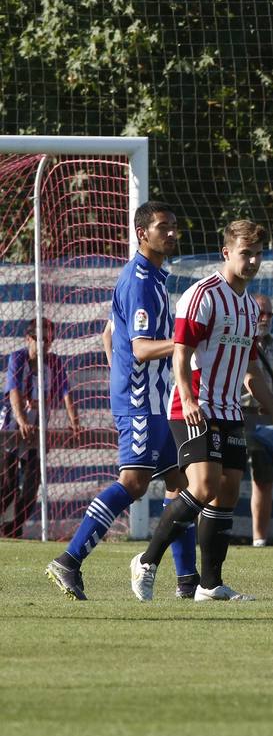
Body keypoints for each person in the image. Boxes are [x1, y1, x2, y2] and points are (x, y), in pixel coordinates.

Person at [130, 219, 273, 602]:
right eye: (245, 253)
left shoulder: (251, 309)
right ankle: (147, 560)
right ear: (226, 253)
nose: (252, 261)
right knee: (202, 487)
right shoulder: (202, 295)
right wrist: (187, 400)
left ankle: (209, 585)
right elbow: (181, 354)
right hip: (194, 407)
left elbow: (252, 372)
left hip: (229, 410)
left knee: (227, 494)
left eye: (257, 254)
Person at [45, 202, 197, 600]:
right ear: (141, 233)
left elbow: (109, 336)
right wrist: (186, 347)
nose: (171, 233)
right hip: (141, 401)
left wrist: (121, 372)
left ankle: (188, 582)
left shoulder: (152, 277)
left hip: (152, 399)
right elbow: (144, 349)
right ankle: (69, 560)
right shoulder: (141, 281)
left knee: (181, 482)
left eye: (174, 226)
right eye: (163, 227)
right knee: (133, 482)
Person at [1, 318, 79, 538]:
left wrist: (74, 422)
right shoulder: (17, 358)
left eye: (48, 339)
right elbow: (14, 391)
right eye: (39, 339)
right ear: (28, 339)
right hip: (11, 431)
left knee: (31, 489)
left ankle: (12, 530)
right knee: (6, 488)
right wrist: (22, 421)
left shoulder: (54, 363)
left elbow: (66, 393)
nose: (44, 344)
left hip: (37, 434)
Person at [242, 292, 273, 546]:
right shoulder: (237, 339)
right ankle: (212, 535)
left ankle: (259, 539)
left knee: (264, 479)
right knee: (221, 478)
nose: (266, 318)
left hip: (266, 419)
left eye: (269, 313)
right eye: (262, 313)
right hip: (238, 415)